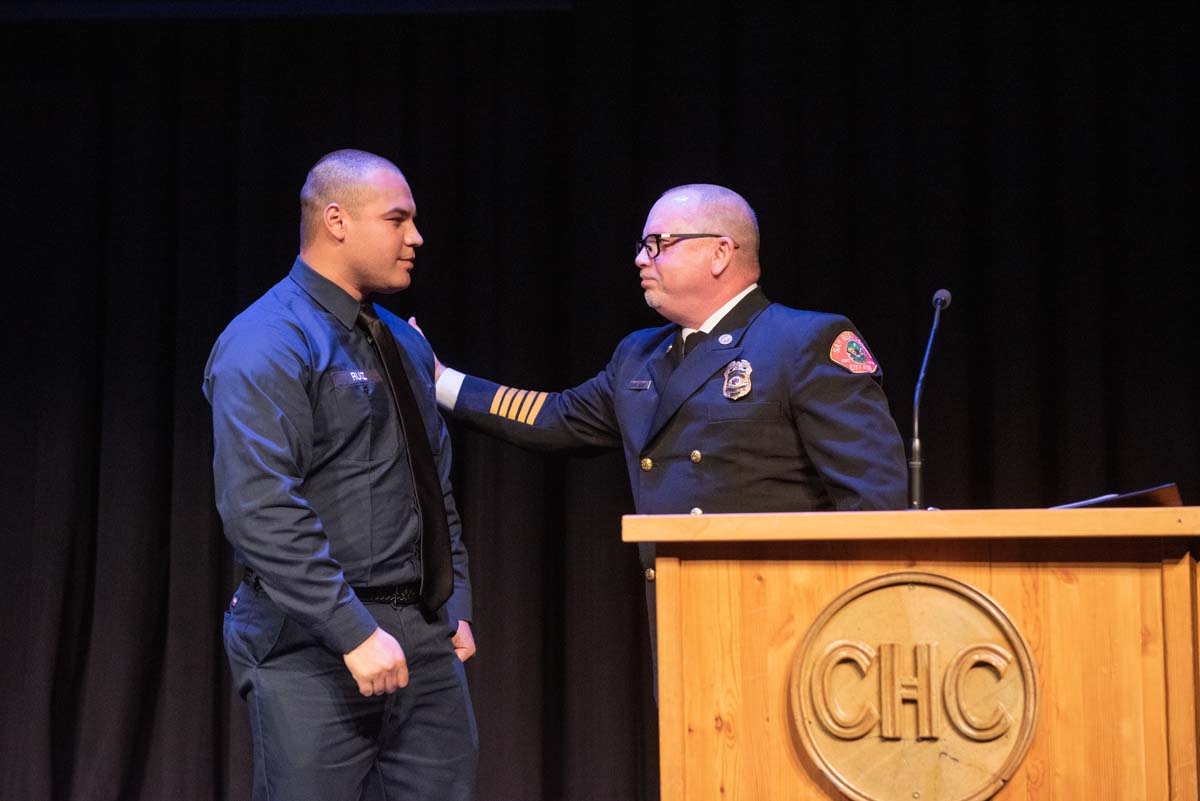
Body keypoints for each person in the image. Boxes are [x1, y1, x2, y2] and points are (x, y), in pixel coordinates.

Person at [414, 183, 907, 660]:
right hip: (681, 610)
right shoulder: (640, 355)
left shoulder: (803, 340)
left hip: (788, 620)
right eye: (643, 245)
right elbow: (555, 417)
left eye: (659, 244)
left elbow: (872, 501)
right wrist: (440, 380)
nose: (641, 258)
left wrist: (862, 630)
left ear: (720, 253)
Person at [204, 149, 477, 801]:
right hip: (311, 640)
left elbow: (433, 484)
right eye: (398, 219)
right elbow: (260, 505)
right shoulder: (267, 339)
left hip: (422, 637)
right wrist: (353, 630)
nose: (416, 237)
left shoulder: (403, 342)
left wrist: (455, 603)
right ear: (336, 220)